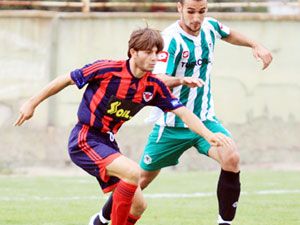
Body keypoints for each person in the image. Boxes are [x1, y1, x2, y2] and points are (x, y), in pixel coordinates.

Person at [14, 27, 229, 225]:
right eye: (149, 52)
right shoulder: (107, 69)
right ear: (133, 52)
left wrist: (207, 133)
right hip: (85, 138)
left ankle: (98, 223)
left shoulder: (153, 86)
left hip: (107, 142)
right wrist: (32, 103)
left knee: (139, 205)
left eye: (157, 53)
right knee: (133, 172)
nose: (155, 58)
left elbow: (183, 112)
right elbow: (66, 79)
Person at [96, 0, 273, 225]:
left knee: (231, 156)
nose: (196, 18)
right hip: (172, 125)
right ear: (179, 7)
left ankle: (225, 223)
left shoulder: (210, 27)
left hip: (205, 121)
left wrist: (255, 45)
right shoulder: (170, 40)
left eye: (202, 11)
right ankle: (101, 219)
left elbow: (228, 33)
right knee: (139, 180)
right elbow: (156, 80)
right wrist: (181, 80)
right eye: (190, 11)